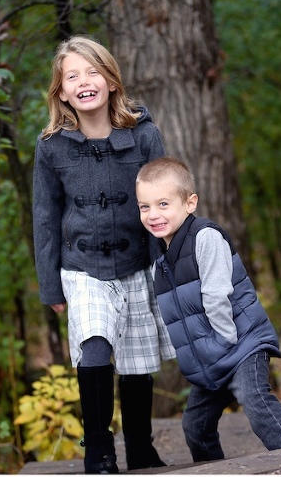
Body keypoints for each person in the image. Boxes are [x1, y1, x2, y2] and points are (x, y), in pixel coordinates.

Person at [32, 36, 176, 474]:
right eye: (72, 76)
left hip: (138, 264)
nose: (84, 82)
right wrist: (49, 284)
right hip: (82, 267)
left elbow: (164, 204)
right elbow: (44, 216)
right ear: (61, 92)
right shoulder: (51, 147)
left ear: (111, 81)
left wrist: (167, 267)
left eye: (93, 72)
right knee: (93, 347)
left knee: (135, 359)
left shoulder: (144, 135)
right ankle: (98, 448)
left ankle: (139, 446)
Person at [135, 156, 281, 462]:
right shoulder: (161, 263)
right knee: (195, 426)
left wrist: (224, 341)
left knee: (255, 401)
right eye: (144, 207)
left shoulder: (206, 237)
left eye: (163, 204)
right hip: (212, 362)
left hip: (242, 347)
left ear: (190, 203)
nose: (153, 214)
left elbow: (215, 296)